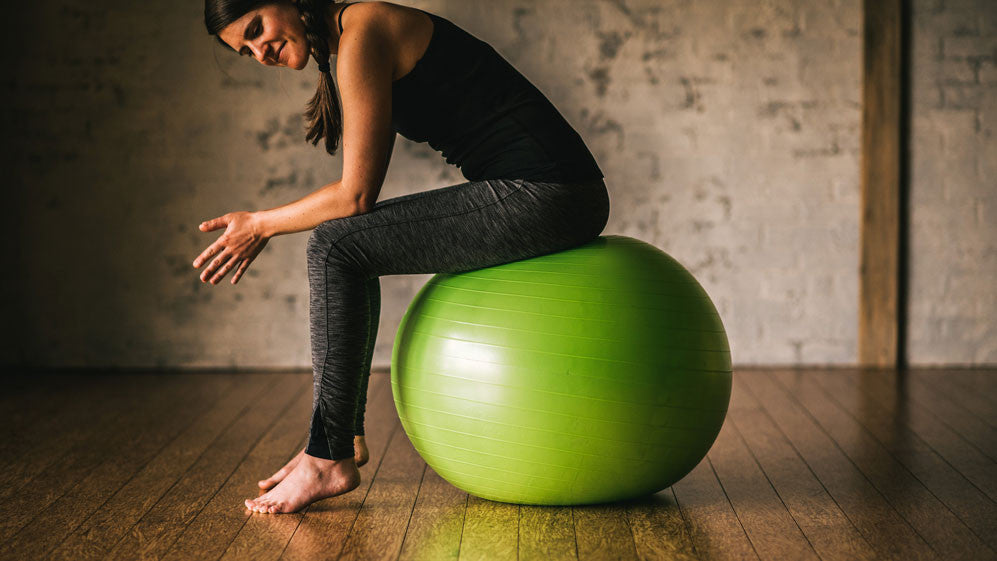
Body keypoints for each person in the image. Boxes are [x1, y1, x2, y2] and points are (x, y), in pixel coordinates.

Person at [194, 0, 610, 514]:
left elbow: (355, 197)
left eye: (258, 30)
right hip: (553, 191)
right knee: (340, 243)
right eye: (246, 50)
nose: (261, 53)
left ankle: (329, 454)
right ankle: (334, 441)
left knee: (336, 245)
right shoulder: (350, 40)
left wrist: (260, 223)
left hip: (549, 193)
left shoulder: (364, 32)